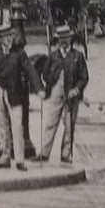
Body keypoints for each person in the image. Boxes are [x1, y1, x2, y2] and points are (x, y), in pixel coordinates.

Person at [0, 25, 43, 170]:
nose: (9, 39)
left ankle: (19, 160)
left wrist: (39, 89)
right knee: (3, 126)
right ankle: (5, 157)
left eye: (10, 36)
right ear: (0, 40)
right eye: (6, 37)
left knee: (17, 126)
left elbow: (30, 71)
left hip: (15, 94)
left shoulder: (19, 54)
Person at [37, 25, 89, 164]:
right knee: (51, 122)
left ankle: (66, 154)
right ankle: (44, 153)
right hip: (55, 92)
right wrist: (50, 84)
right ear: (57, 40)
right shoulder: (53, 55)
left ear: (71, 39)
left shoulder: (78, 56)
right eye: (61, 39)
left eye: (66, 38)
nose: (63, 41)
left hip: (71, 94)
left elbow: (84, 77)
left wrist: (76, 90)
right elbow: (45, 73)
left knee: (69, 125)